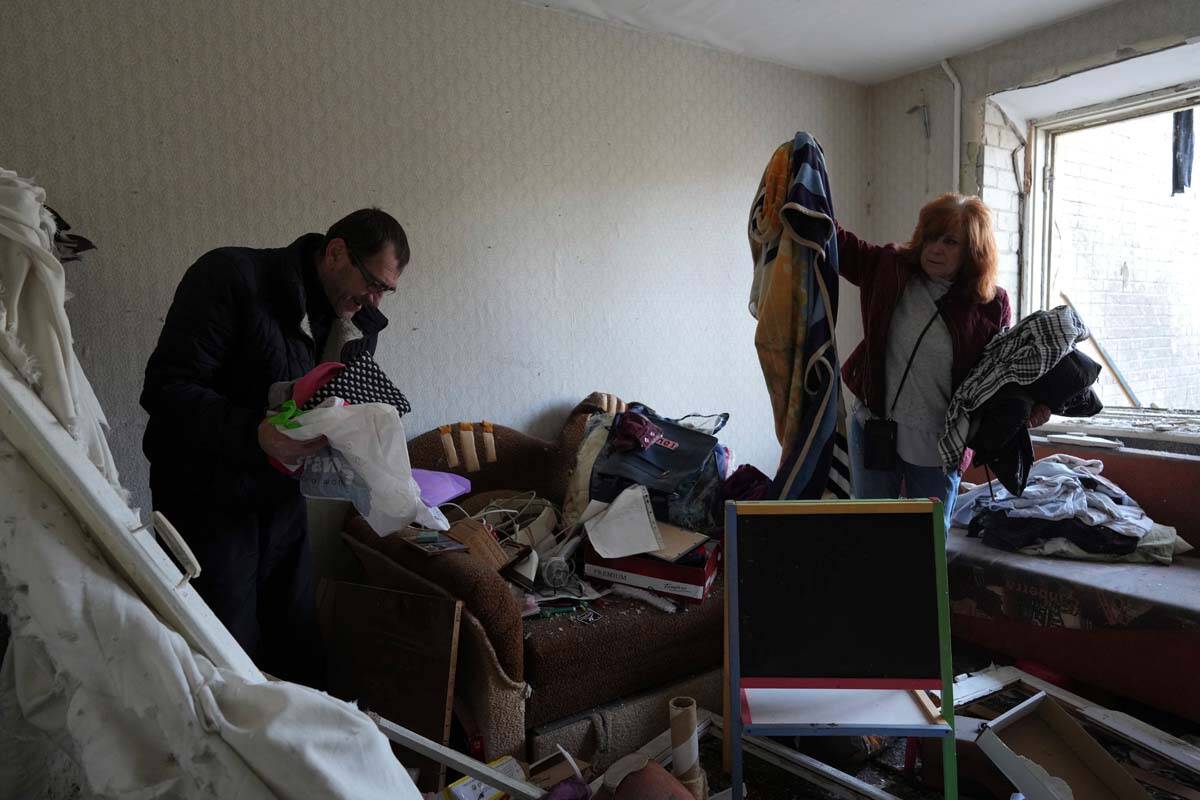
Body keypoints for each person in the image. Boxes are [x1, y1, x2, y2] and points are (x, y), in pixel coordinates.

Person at [140, 208, 409, 686]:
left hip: (281, 498)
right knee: (225, 660)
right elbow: (166, 390)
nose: (374, 299)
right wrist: (255, 432)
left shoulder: (355, 322)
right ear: (335, 252)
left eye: (385, 290)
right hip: (205, 501)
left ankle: (298, 755)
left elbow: (328, 400)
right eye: (372, 282)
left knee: (296, 641)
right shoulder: (230, 276)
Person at [838, 193, 1049, 529]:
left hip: (940, 445)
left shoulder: (991, 305)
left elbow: (1002, 371)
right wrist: (805, 180)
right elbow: (836, 243)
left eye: (950, 241)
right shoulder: (890, 269)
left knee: (930, 545)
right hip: (876, 429)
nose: (935, 248)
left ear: (972, 251)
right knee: (872, 536)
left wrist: (1034, 405)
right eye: (931, 237)